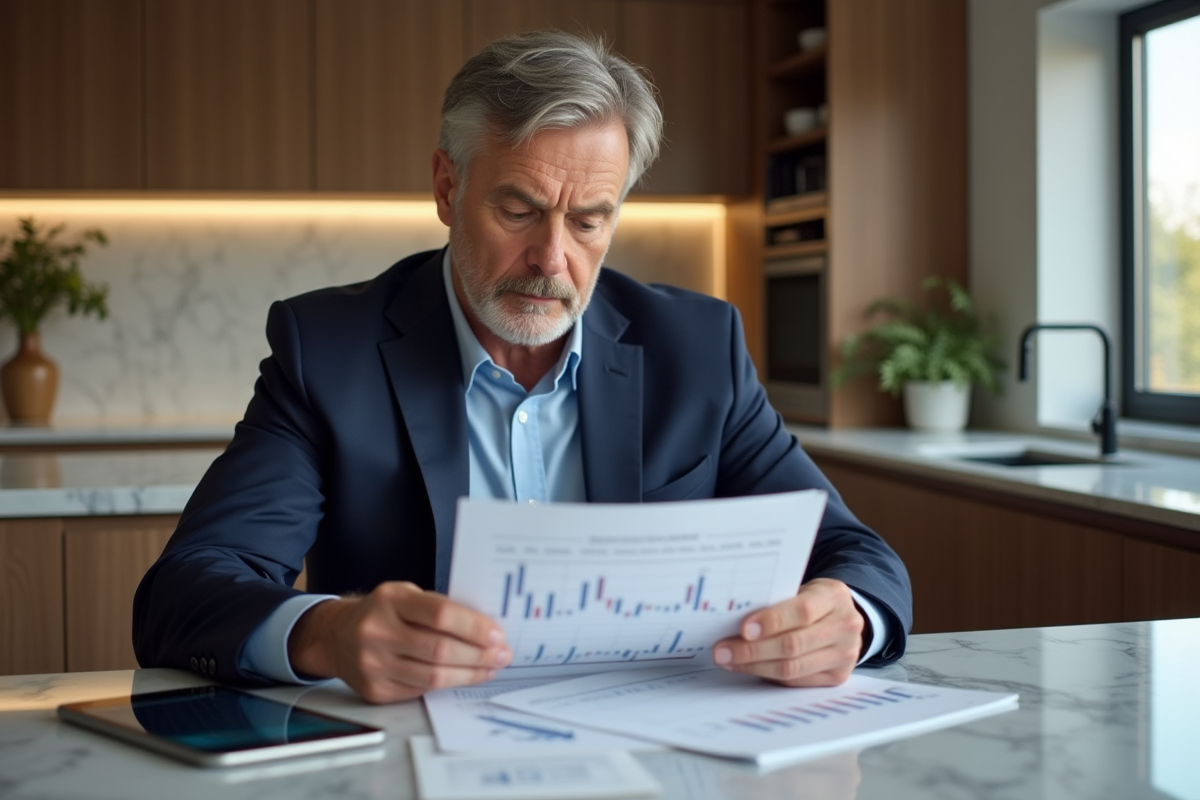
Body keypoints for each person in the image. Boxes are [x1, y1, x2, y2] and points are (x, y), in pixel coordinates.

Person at [133, 30, 912, 705]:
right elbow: (185, 591)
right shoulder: (329, 350)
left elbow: (858, 556)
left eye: (588, 220)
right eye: (518, 210)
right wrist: (329, 633)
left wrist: (848, 617)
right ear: (447, 187)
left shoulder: (696, 348)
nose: (552, 259)